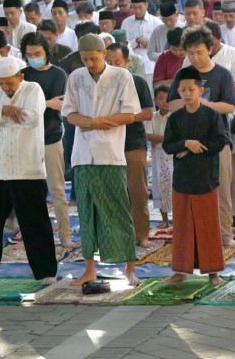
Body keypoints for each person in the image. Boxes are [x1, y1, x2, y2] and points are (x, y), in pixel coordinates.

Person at [61, 34, 141, 286]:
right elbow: (68, 113)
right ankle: (89, 269)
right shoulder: (76, 77)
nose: (89, 63)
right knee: (86, 212)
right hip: (83, 154)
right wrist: (90, 123)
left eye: (93, 58)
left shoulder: (121, 76)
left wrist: (100, 124)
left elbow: (130, 114)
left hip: (110, 154)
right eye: (85, 59)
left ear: (103, 53)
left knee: (118, 209)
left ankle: (130, 267)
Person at [0, 57, 58, 284]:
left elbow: (31, 118)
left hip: (26, 168)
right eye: (1, 83)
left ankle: (46, 272)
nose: (5, 88)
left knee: (34, 223)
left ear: (20, 77)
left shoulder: (33, 89)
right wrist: (3, 110)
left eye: (9, 83)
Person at [167, 26, 235, 246]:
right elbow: (172, 104)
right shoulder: (183, 75)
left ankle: (225, 233)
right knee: (187, 190)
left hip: (216, 141)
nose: (195, 58)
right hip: (186, 141)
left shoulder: (222, 74)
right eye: (190, 53)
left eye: (199, 52)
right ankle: (192, 235)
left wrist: (204, 104)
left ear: (210, 49)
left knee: (222, 189)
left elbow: (228, 106)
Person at [161, 66, 229, 285]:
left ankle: (213, 272)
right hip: (182, 179)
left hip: (205, 178)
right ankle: (180, 270)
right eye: (183, 90)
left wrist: (193, 146)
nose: (187, 94)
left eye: (191, 89)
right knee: (181, 227)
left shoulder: (211, 115)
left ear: (201, 91)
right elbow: (167, 145)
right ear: (178, 92)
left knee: (208, 226)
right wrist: (184, 143)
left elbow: (220, 142)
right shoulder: (175, 118)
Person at [18, 32, 76, 248]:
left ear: (47, 52)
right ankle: (31, 235)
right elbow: (21, 109)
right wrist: (45, 103)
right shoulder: (21, 75)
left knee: (57, 189)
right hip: (26, 138)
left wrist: (40, 105)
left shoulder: (58, 74)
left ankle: (64, 235)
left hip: (50, 137)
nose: (33, 57)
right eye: (29, 54)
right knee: (29, 191)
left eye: (38, 53)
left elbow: (58, 105)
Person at [105, 42, 154, 247]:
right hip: (107, 145)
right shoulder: (101, 84)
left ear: (127, 61)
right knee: (113, 193)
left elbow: (148, 113)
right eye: (109, 62)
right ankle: (117, 234)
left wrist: (123, 118)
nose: (114, 66)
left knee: (138, 192)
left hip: (133, 144)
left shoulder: (138, 83)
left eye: (118, 62)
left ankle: (141, 234)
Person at [146, 85, 173, 228]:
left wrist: (161, 139)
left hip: (173, 157)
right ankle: (164, 220)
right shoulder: (152, 117)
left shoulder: (175, 116)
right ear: (155, 100)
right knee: (159, 186)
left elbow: (177, 137)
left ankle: (178, 219)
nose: (164, 101)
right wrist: (167, 139)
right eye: (160, 98)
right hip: (158, 156)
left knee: (173, 187)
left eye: (168, 98)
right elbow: (148, 135)